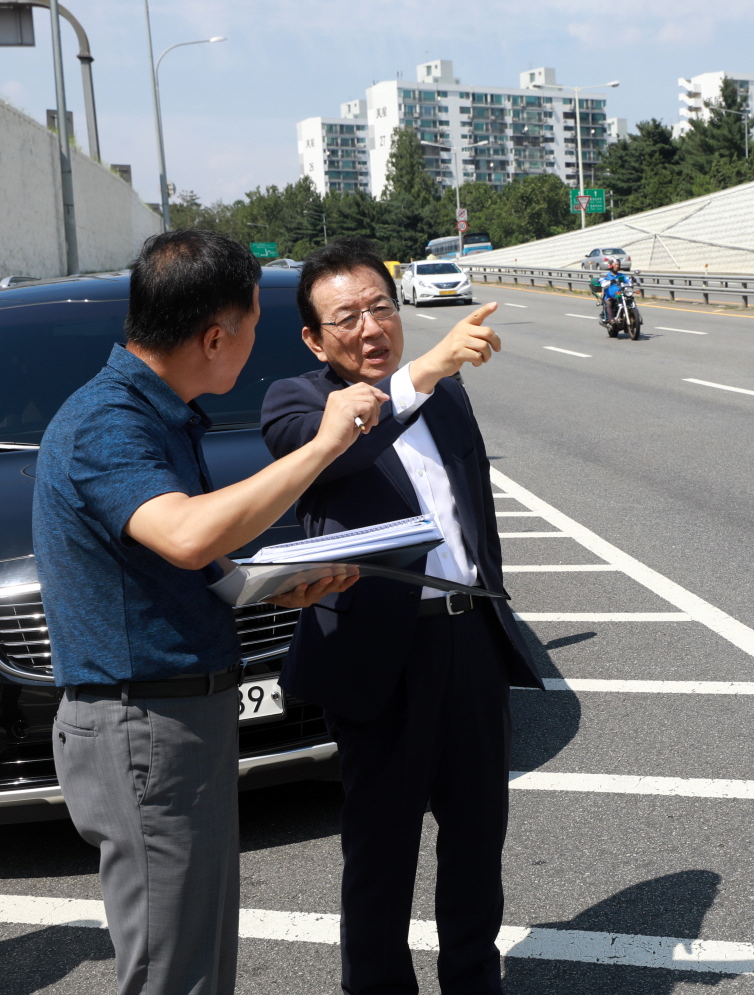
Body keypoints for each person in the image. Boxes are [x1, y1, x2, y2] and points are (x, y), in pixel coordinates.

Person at [34, 230, 389, 995]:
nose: (255, 343)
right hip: (143, 726)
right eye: (254, 325)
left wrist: (267, 586)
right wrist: (324, 443)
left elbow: (185, 561)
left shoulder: (163, 412)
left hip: (176, 719)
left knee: (196, 960)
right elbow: (188, 534)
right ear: (214, 335)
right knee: (173, 972)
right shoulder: (109, 420)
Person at [261, 238, 543, 995]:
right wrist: (425, 372)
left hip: (469, 639)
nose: (370, 327)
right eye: (346, 317)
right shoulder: (295, 403)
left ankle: (475, 984)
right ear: (315, 340)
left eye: (381, 306)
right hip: (380, 656)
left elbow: (469, 508)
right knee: (381, 859)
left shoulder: (447, 391)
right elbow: (340, 452)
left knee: (478, 844)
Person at [593, 258, 631, 325]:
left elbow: (628, 281)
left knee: (630, 301)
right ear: (611, 265)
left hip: (621, 296)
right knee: (609, 303)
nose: (617, 266)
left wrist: (632, 281)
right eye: (615, 264)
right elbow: (602, 283)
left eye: (618, 265)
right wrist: (609, 281)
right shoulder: (605, 275)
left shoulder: (621, 275)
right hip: (610, 297)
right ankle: (611, 320)